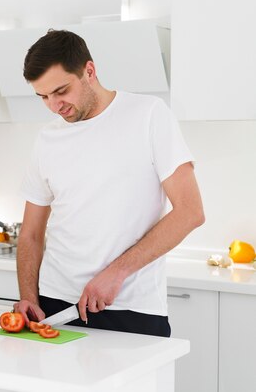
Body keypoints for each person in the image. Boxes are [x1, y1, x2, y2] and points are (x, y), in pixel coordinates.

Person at [13, 29, 205, 337]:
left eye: (61, 91)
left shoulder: (149, 115)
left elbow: (190, 212)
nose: (53, 106)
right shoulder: (47, 139)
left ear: (89, 71)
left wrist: (117, 273)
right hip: (54, 304)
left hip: (130, 307)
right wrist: (28, 296)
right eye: (43, 97)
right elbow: (31, 234)